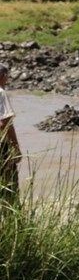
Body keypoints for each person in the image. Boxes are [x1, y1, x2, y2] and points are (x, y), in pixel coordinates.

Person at [0, 63, 21, 201]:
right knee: (9, 188)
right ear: (2, 76)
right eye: (7, 76)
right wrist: (16, 148)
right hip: (2, 148)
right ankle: (11, 219)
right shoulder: (1, 93)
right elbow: (5, 123)